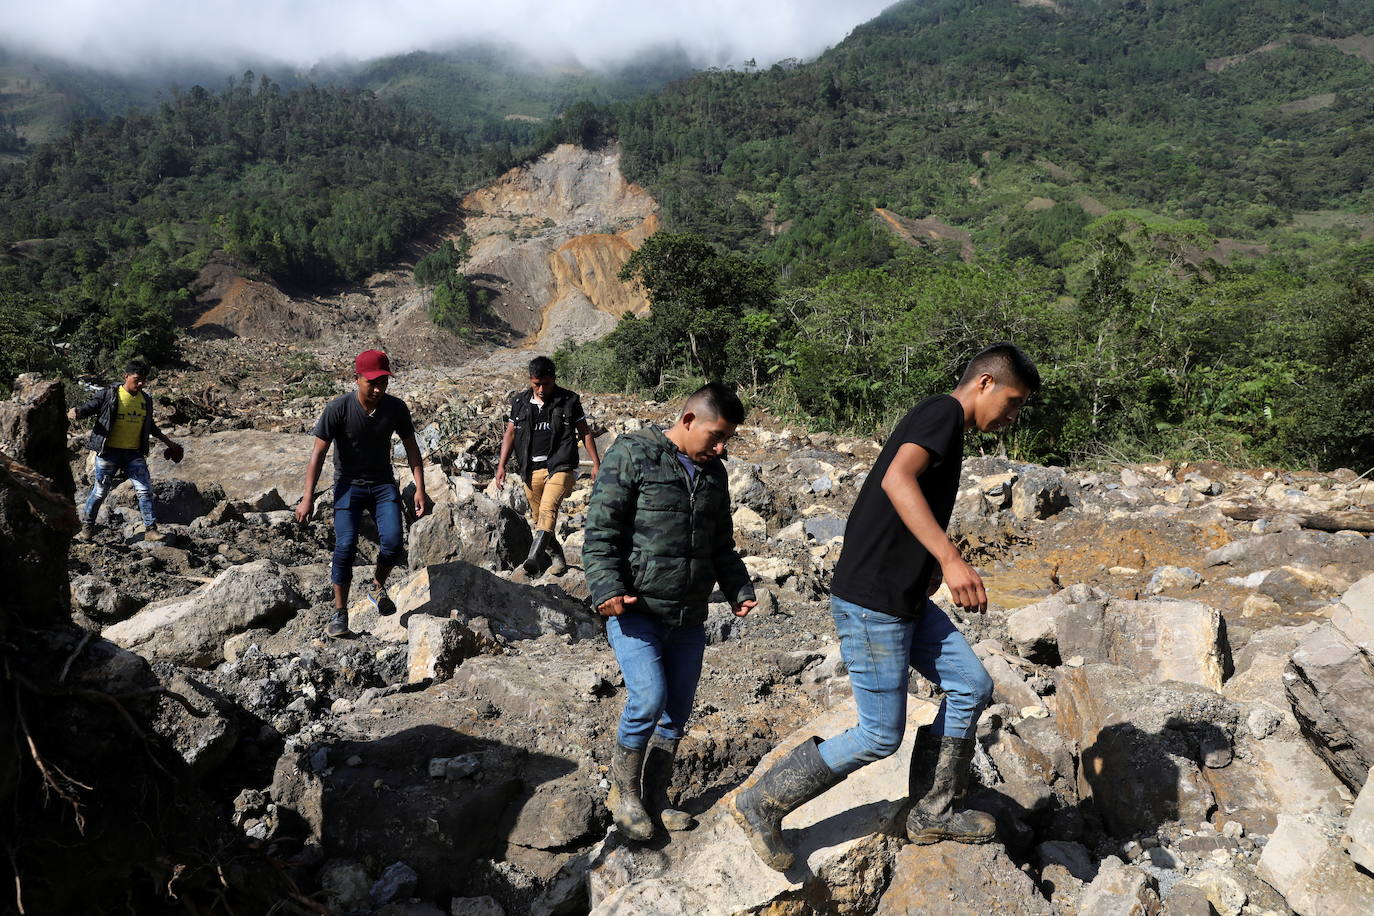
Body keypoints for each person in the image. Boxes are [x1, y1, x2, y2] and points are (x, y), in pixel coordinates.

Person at [732, 343, 1040, 870]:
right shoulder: (943, 412)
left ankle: (930, 811)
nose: (1011, 416)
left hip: (904, 599)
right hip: (874, 600)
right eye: (1012, 402)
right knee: (879, 735)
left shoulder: (947, 423)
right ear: (984, 383)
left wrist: (926, 572)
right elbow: (898, 479)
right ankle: (761, 803)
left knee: (971, 683)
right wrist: (951, 560)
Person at [583, 382, 757, 841]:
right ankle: (624, 796)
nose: (720, 447)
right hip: (637, 610)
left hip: (689, 615)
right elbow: (601, 531)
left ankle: (656, 801)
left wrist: (738, 587)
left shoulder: (714, 472)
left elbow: (720, 543)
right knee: (647, 698)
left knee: (675, 714)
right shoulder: (634, 454)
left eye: (727, 440)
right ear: (687, 421)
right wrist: (607, 589)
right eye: (715, 436)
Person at [295, 350, 427, 639]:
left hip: (382, 485)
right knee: (345, 547)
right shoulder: (337, 409)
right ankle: (340, 614)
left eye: (384, 382)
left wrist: (420, 487)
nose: (379, 389)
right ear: (356, 379)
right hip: (348, 486)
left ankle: (376, 586)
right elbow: (317, 455)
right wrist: (308, 497)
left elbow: (412, 448)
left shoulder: (395, 408)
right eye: (372, 383)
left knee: (393, 545)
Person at [494, 355, 601, 576]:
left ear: (554, 379)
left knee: (548, 509)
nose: (541, 389)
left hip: (560, 465)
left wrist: (596, 464)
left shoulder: (569, 400)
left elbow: (585, 432)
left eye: (546, 384)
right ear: (530, 380)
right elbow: (510, 434)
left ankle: (533, 558)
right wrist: (501, 466)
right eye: (537, 384)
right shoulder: (519, 403)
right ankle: (557, 557)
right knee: (539, 519)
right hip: (530, 470)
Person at [68, 360, 183, 542]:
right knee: (99, 492)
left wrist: (170, 443)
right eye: (137, 380)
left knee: (145, 491)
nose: (140, 384)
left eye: (144, 380)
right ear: (126, 377)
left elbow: (150, 426)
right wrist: (78, 412)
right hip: (108, 452)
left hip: (133, 454)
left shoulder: (145, 400)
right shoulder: (109, 394)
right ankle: (87, 528)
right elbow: (91, 406)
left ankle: (150, 530)